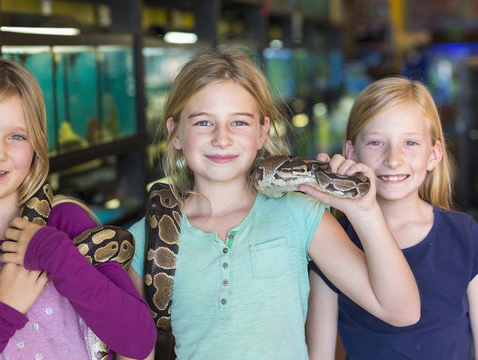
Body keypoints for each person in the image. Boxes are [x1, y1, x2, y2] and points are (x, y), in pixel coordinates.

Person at [125, 49, 420, 359]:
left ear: (262, 132)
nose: (222, 139)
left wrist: (365, 212)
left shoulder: (299, 213)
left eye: (239, 123)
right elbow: (133, 349)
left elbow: (401, 310)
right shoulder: (145, 237)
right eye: (203, 123)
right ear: (175, 134)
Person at [0, 58, 156, 359]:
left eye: (16, 136)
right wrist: (2, 312)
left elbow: (138, 340)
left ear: (37, 144)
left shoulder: (65, 222)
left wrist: (55, 254)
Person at [306, 77, 478, 359]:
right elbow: (320, 354)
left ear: (433, 155)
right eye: (376, 142)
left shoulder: (466, 237)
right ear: (351, 152)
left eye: (410, 142)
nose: (393, 159)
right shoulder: (333, 241)